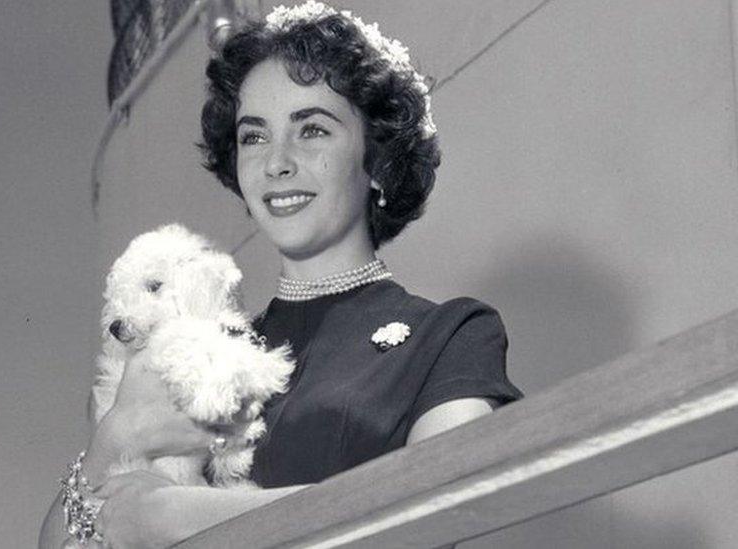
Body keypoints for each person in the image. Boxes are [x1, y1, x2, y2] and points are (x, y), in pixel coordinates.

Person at [39, 2, 524, 547]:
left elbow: (439, 503)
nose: (277, 162)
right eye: (254, 136)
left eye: (312, 129)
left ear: (379, 160)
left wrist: (169, 513)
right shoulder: (214, 348)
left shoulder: (452, 336)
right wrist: (114, 439)